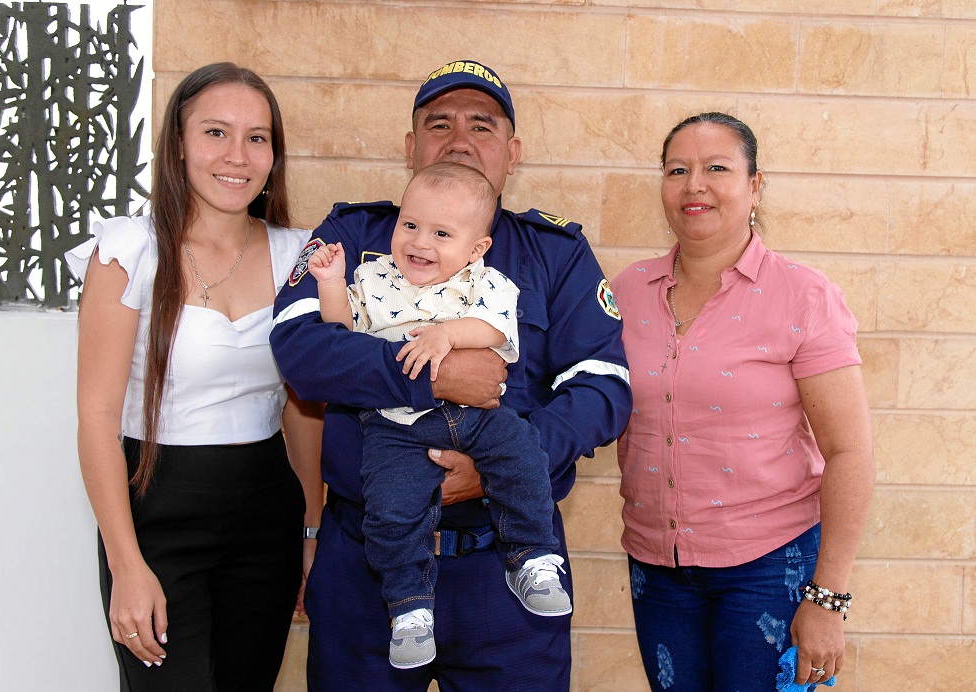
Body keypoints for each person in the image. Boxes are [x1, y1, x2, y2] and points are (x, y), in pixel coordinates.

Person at [270, 59, 632, 690]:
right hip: (366, 571)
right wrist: (432, 379)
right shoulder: (352, 237)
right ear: (411, 148)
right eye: (439, 124)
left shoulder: (555, 254)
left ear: (513, 153)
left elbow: (604, 389)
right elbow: (300, 351)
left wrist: (494, 466)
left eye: (482, 126)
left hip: (506, 573)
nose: (460, 139)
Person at [67, 62, 323, 692]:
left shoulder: (300, 256)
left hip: (266, 519)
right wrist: (126, 565)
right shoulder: (128, 251)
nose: (238, 155)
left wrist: (312, 531)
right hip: (154, 514)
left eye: (257, 137)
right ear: (177, 143)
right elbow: (97, 418)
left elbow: (303, 410)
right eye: (215, 132)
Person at [610, 112, 875, 690]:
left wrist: (829, 596)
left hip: (769, 566)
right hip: (657, 568)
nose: (694, 185)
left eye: (717, 168)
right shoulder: (626, 291)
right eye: (677, 169)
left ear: (755, 185)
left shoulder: (804, 296)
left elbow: (849, 450)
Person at [307, 162, 570, 670]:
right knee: (389, 507)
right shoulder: (373, 277)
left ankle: (532, 556)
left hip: (476, 417)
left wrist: (446, 334)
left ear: (476, 249)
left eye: (441, 233)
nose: (419, 242)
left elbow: (494, 333)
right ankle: (408, 606)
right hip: (396, 426)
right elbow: (341, 329)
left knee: (523, 459)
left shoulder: (486, 283)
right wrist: (331, 283)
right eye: (410, 225)